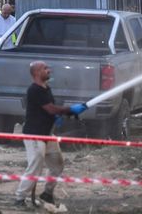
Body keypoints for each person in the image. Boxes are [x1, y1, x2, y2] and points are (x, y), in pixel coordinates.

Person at [14, 61, 87, 207]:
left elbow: (50, 111)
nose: (49, 70)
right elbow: (51, 109)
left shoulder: (46, 88)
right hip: (34, 135)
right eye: (44, 68)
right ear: (36, 73)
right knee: (35, 166)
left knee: (57, 165)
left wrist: (59, 116)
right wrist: (70, 110)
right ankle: (19, 198)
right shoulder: (34, 90)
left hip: (47, 134)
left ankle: (47, 194)